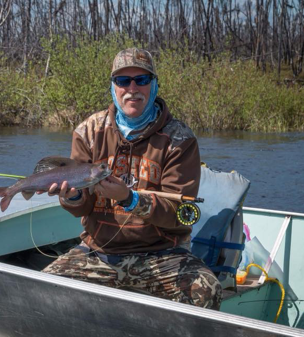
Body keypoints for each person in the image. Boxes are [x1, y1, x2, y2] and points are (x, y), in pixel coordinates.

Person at [42, 48, 222, 310]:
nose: (132, 88)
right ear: (113, 87)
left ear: (154, 85)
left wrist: (129, 199)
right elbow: (81, 207)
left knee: (206, 290)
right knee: (42, 287)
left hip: (163, 254)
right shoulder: (88, 132)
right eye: (123, 81)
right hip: (98, 253)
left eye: (142, 80)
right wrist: (71, 196)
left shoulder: (180, 139)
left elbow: (179, 213)